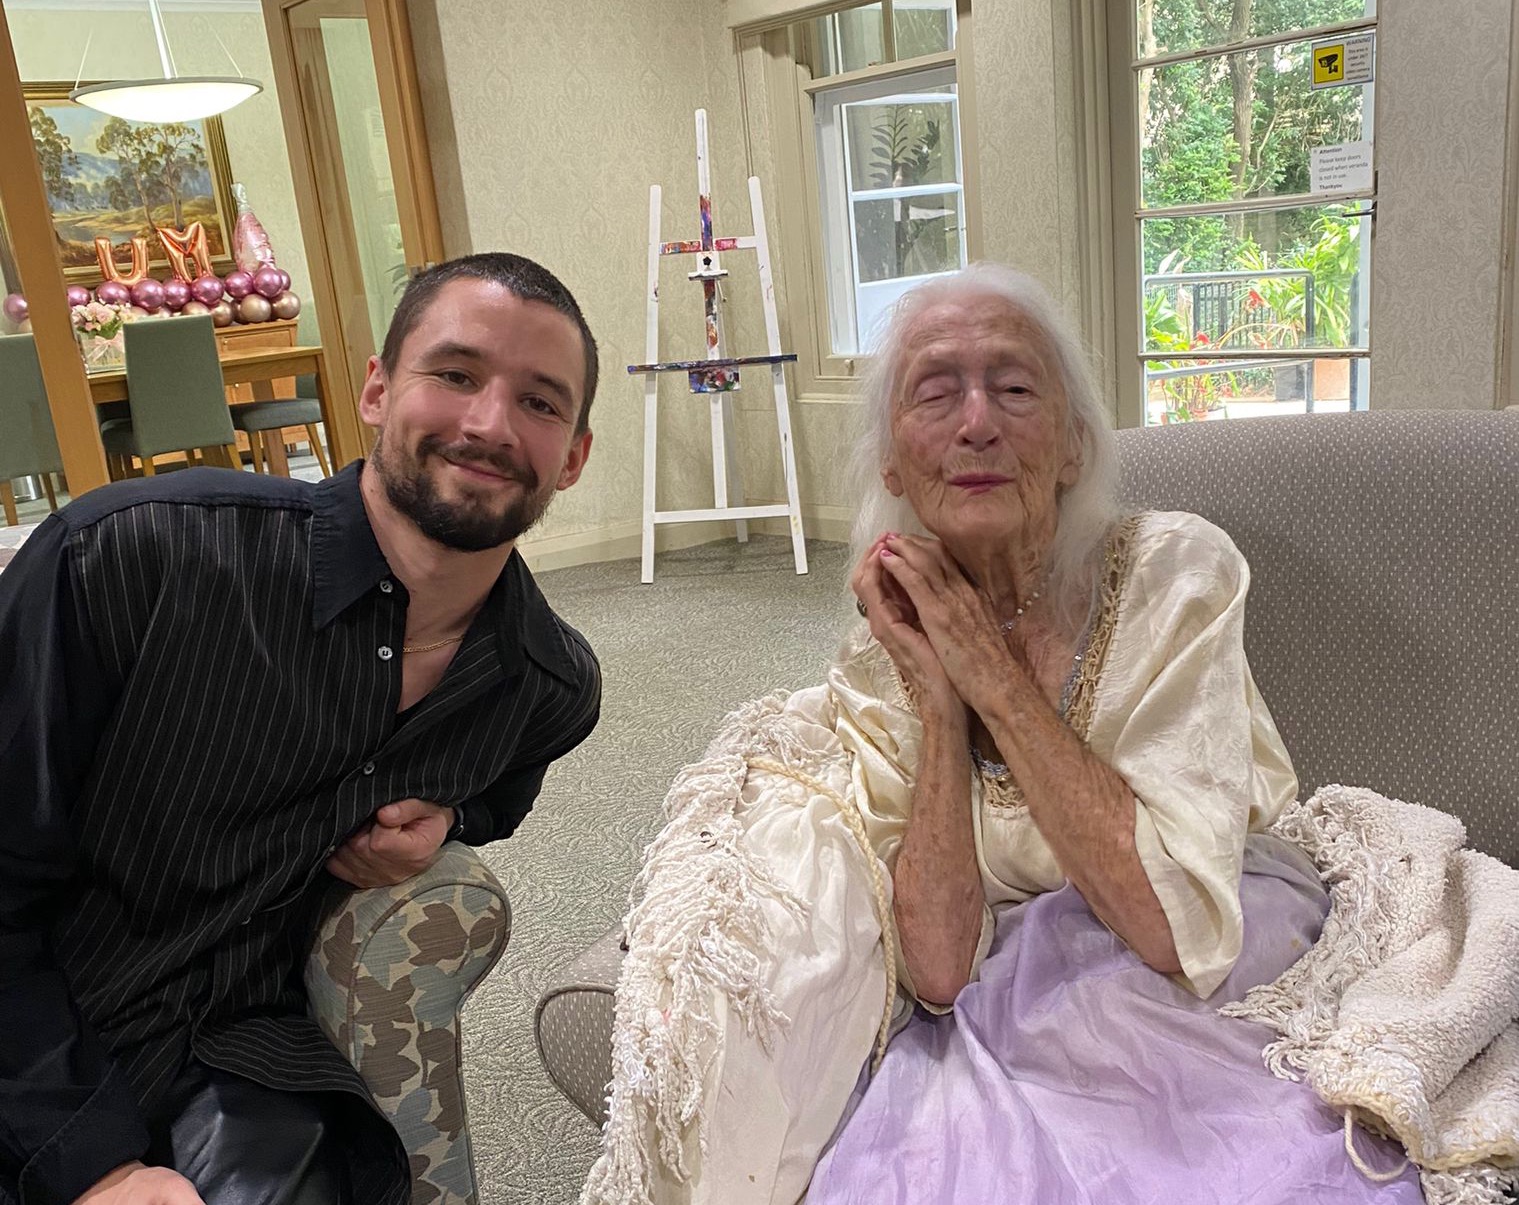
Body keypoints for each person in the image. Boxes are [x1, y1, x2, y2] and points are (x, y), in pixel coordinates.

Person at [585, 264, 1424, 1204]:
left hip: (1208, 965)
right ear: (893, 462)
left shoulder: (1173, 570)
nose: (976, 421)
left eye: (1015, 388)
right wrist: (941, 702)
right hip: (1012, 995)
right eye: (935, 392)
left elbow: (1169, 920)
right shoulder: (880, 658)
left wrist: (985, 664)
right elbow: (938, 972)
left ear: (1071, 444)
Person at [0, 252, 602, 1205]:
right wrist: (94, 1163)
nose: (488, 424)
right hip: (37, 1039)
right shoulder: (129, 559)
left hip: (242, 1055)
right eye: (453, 375)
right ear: (375, 388)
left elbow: (501, 786)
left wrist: (451, 818)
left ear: (573, 454)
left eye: (539, 401)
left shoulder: (544, 682)